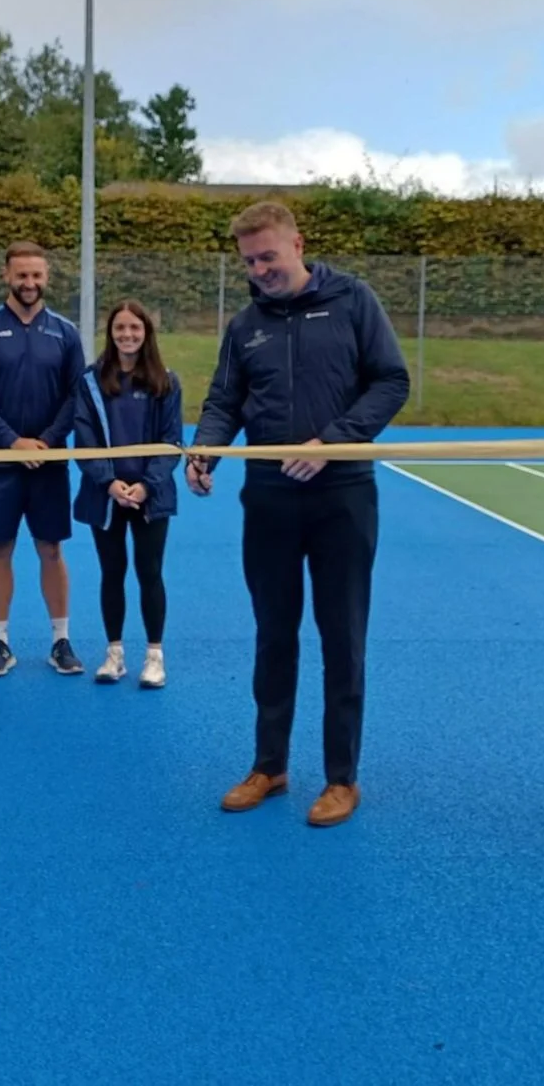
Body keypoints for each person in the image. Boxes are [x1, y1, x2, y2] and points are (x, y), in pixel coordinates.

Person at [186, 201, 410, 828]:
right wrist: (207, 451)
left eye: (269, 257)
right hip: (269, 496)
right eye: (249, 262)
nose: (261, 270)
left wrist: (333, 441)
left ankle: (341, 778)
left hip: (343, 494)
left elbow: (392, 382)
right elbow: (224, 400)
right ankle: (271, 765)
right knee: (273, 633)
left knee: (342, 637)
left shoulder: (353, 301)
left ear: (297, 245)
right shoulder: (244, 325)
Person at [0, 241, 86, 677]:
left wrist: (46, 442)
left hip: (49, 461)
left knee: (51, 548)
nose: (29, 283)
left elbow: (76, 395)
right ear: (6, 275)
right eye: (21, 275)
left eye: (36, 275)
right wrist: (13, 442)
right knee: (0, 548)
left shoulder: (65, 332)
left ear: (47, 277)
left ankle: (61, 641)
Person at [71, 299, 183, 688]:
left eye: (135, 328)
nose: (127, 335)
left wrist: (146, 485)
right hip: (107, 495)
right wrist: (110, 483)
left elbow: (172, 441)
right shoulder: (90, 380)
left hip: (151, 496)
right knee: (112, 572)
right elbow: (83, 438)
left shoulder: (166, 381)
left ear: (146, 333)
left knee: (150, 572)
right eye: (120, 328)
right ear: (110, 333)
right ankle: (114, 653)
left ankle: (154, 656)